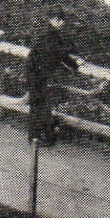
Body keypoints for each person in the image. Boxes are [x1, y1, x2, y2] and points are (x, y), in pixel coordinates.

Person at [23, 11, 78, 147]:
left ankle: (38, 137)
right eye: (58, 20)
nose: (61, 23)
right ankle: (39, 137)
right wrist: (71, 54)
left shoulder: (53, 35)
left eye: (61, 20)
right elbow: (58, 52)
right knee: (39, 104)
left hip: (38, 73)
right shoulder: (50, 34)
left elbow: (60, 55)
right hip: (36, 73)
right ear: (52, 20)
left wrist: (74, 65)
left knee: (40, 104)